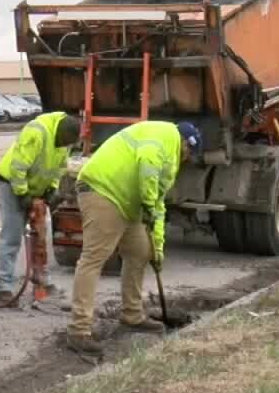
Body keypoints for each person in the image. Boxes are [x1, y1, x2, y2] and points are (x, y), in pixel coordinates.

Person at [65, 120, 202, 355]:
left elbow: (158, 208)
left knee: (141, 251)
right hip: (102, 190)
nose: (187, 158)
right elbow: (146, 167)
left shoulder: (171, 156)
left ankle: (132, 315)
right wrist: (148, 204)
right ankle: (79, 331)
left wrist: (157, 249)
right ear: (186, 143)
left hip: (128, 203)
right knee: (94, 258)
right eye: (188, 152)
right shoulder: (165, 137)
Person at [0, 112, 82, 305]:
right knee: (12, 237)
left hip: (34, 189)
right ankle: (1, 289)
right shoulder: (36, 132)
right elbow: (18, 168)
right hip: (11, 185)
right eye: (63, 141)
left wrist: (51, 190)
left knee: (40, 237)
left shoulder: (63, 142)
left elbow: (58, 169)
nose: (64, 146)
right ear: (59, 132)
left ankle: (41, 282)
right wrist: (23, 195)